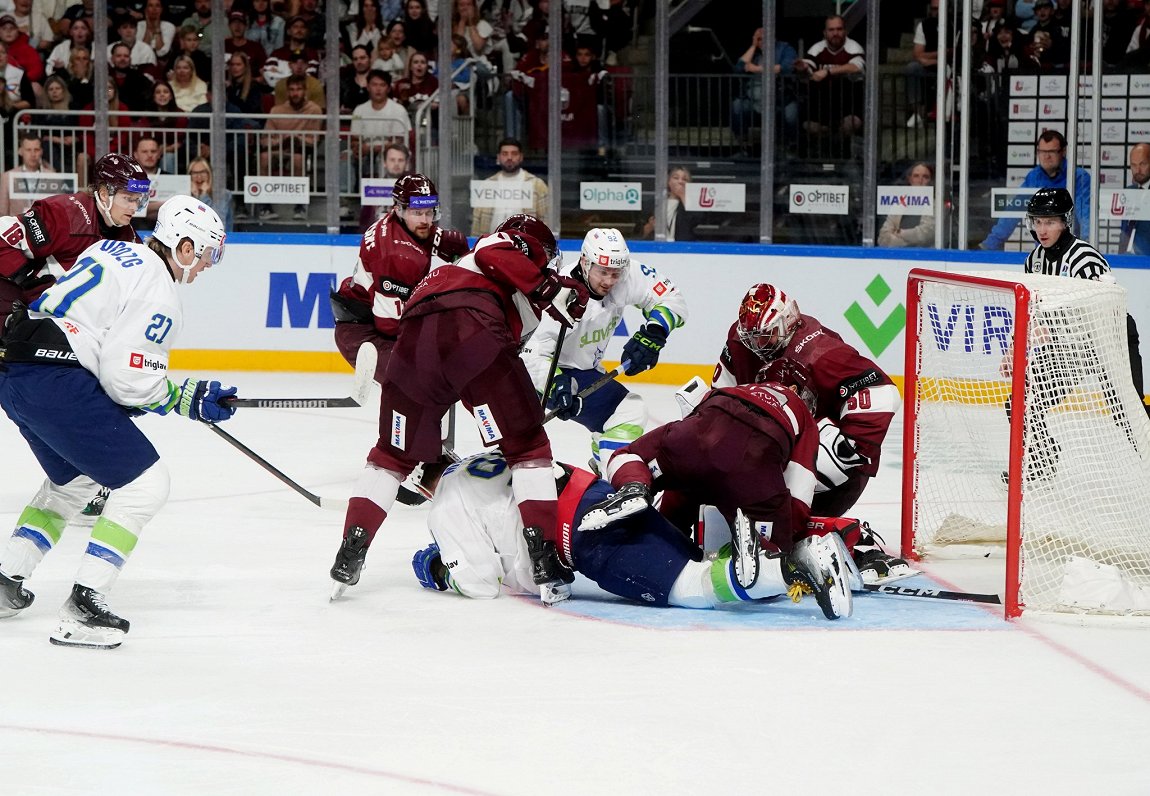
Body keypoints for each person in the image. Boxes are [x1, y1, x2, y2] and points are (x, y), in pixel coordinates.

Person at [0, 195, 233, 649]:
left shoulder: (112, 249)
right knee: (147, 485)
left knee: (75, 483)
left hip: (15, 371)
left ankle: (7, 575)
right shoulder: (160, 291)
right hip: (56, 379)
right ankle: (84, 605)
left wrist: (178, 395)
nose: (206, 265)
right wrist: (185, 398)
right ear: (183, 247)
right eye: (206, 254)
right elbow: (128, 380)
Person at [328, 214, 590, 600]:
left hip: (412, 349)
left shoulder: (459, 273)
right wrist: (549, 287)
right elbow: (492, 250)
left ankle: (350, 553)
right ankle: (545, 563)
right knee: (528, 448)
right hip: (472, 334)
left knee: (390, 456)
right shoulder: (508, 247)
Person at [410, 450, 853, 620]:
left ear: (414, 487)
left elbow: (480, 582)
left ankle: (796, 564)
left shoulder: (446, 501)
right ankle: (824, 555)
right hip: (604, 497)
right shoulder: (485, 455)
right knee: (702, 564)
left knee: (693, 589)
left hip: (586, 536)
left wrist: (436, 568)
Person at [572, 363, 852, 619]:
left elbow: (698, 441)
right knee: (773, 559)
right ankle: (774, 558)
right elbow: (799, 488)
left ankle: (635, 486)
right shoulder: (801, 413)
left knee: (628, 456)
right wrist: (788, 532)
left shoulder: (733, 388)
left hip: (693, 441)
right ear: (796, 390)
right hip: (751, 465)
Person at [709, 283, 907, 584]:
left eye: (766, 336)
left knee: (791, 504)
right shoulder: (741, 339)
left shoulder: (821, 352)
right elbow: (723, 393)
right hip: (777, 442)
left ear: (788, 322)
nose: (757, 345)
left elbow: (880, 391)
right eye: (752, 337)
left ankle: (856, 541)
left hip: (820, 449)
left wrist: (849, 447)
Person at [520, 227, 687, 470]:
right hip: (542, 375)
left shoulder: (627, 275)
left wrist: (654, 333)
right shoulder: (559, 293)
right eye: (603, 272)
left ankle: (607, 466)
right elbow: (530, 354)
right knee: (627, 410)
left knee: (618, 417)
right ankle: (617, 474)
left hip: (583, 370)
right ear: (585, 263)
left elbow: (672, 298)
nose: (609, 280)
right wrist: (555, 383)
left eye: (615, 273)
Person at [1015, 188, 1148, 424]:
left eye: (1049, 222)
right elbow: (1030, 310)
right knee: (1021, 404)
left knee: (1130, 417)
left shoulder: (1083, 258)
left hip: (1110, 340)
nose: (1042, 230)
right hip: (1069, 347)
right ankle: (1045, 461)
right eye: (1037, 221)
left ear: (1064, 222)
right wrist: (1011, 352)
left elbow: (1109, 308)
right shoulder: (1033, 261)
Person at [330, 173, 468, 386]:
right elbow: (390, 327)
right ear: (399, 210)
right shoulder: (396, 256)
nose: (425, 220)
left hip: (371, 318)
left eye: (430, 212)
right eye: (417, 213)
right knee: (418, 383)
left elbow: (442, 240)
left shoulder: (403, 224)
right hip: (365, 335)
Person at [0, 153, 149, 331]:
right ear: (103, 194)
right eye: (128, 198)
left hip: (63, 323)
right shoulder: (64, 214)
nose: (134, 207)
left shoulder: (129, 238)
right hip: (22, 310)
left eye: (138, 200)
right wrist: (25, 279)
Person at [980, 129, 1091, 250]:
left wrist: (1087, 247)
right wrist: (989, 245)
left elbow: (1086, 215)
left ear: (1063, 152)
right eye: (1042, 152)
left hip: (1071, 251)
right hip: (1043, 254)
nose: (1046, 156)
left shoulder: (1078, 177)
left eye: (1052, 152)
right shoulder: (1033, 177)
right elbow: (1013, 212)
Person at [793, 15, 865, 151]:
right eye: (831, 30)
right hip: (822, 103)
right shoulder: (817, 48)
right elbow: (808, 67)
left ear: (845, 31)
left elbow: (857, 67)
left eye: (839, 29)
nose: (835, 33)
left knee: (851, 124)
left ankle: (844, 155)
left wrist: (828, 71)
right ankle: (823, 155)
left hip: (848, 103)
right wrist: (802, 68)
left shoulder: (854, 48)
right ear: (825, 33)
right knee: (810, 126)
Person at [259, 74, 323, 221]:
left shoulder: (314, 110)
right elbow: (264, 140)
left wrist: (296, 138)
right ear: (287, 92)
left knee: (297, 158)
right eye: (292, 89)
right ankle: (265, 205)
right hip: (279, 148)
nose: (295, 93)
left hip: (301, 150)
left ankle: (300, 205)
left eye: (299, 89)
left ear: (305, 91)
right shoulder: (277, 110)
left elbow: (314, 140)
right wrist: (282, 139)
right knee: (264, 157)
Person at [731, 27, 799, 154]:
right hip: (754, 100)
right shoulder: (754, 53)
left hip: (780, 99)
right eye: (759, 39)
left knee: (791, 113)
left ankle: (791, 148)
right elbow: (739, 68)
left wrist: (756, 69)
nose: (762, 41)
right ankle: (742, 146)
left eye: (764, 38)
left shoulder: (785, 48)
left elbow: (786, 67)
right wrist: (753, 46)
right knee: (737, 105)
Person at [469, 137, 550, 236]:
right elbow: (477, 221)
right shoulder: (487, 185)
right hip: (490, 246)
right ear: (498, 157)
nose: (509, 157)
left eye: (514, 153)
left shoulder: (537, 185)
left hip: (524, 247)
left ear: (521, 157)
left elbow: (545, 221)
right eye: (505, 154)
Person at [878, 161, 936, 248]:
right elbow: (882, 237)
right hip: (895, 256)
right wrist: (909, 240)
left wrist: (899, 233)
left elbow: (924, 236)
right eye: (916, 176)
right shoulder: (900, 203)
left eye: (925, 177)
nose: (920, 181)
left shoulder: (936, 205)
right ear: (910, 179)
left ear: (931, 180)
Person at [0, 133, 56, 218]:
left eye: (36, 150)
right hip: (17, 228)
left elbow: (56, 210)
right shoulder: (7, 177)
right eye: (28, 150)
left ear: (41, 151)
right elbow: (2, 212)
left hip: (44, 228)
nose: (33, 154)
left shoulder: (52, 176)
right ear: (20, 151)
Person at [638, 165, 698, 242]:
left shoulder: (692, 204)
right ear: (668, 181)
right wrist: (650, 226)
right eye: (676, 178)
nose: (680, 182)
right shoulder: (653, 203)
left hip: (682, 248)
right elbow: (639, 234)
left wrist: (683, 196)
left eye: (685, 179)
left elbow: (695, 221)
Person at [904, 0, 939, 129]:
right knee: (912, 67)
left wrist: (930, 57)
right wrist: (941, 54)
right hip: (930, 65)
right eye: (935, 9)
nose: (937, 12)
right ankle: (918, 113)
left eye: (940, 9)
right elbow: (917, 54)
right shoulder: (923, 25)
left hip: (950, 65)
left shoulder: (954, 24)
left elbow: (955, 52)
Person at [188, 156, 233, 232]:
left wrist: (204, 196)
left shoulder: (223, 194)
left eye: (202, 172)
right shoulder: (184, 195)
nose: (199, 176)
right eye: (195, 173)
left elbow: (218, 223)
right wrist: (195, 197)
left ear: (209, 174)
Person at [1121, 143, 1150, 256]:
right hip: (1126, 259)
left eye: (1142, 164)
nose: (1138, 170)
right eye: (1133, 165)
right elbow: (1124, 230)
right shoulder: (1128, 192)